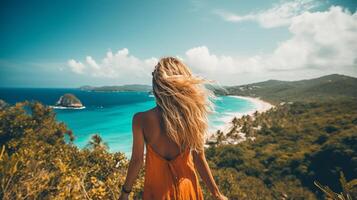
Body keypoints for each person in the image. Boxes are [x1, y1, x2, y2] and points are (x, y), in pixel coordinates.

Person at [119, 57, 227, 200]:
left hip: (156, 194)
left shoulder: (140, 120)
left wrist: (125, 193)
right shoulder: (191, 119)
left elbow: (137, 161)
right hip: (188, 193)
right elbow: (199, 160)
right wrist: (217, 194)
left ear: (157, 87)